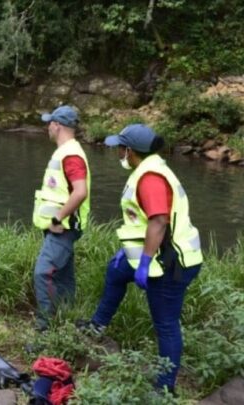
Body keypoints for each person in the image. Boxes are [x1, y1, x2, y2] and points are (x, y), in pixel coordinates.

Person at [78, 124, 203, 394]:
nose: (117, 153)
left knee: (166, 324)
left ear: (131, 151)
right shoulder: (147, 170)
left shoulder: (151, 179)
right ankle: (97, 326)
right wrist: (129, 249)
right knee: (115, 273)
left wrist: (145, 262)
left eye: (120, 148)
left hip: (171, 263)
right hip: (153, 253)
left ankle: (166, 388)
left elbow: (158, 220)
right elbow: (143, 220)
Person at [32, 105, 91, 331]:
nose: (48, 127)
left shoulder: (71, 155)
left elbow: (80, 192)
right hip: (60, 227)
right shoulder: (66, 151)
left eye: (50, 123)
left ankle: (45, 328)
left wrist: (57, 219)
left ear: (57, 125)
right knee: (64, 278)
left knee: (43, 273)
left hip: (62, 228)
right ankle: (67, 320)